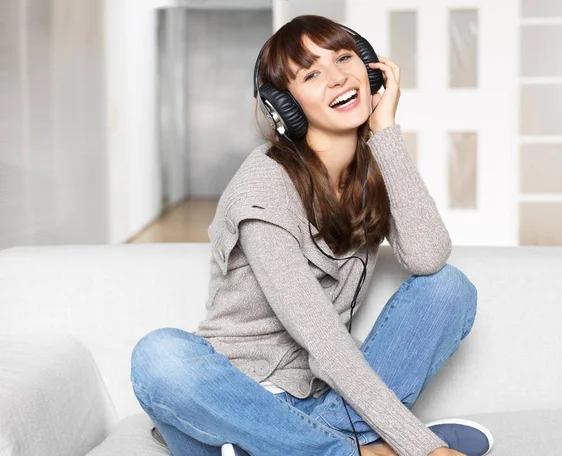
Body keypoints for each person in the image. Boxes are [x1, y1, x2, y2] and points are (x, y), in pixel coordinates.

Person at [130, 14, 494, 456]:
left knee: (448, 289)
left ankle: (293, 444)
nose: (339, 77)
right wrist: (426, 448)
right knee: (158, 356)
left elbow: (428, 256)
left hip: (323, 399)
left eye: (344, 57)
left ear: (369, 65)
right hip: (241, 397)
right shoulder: (264, 184)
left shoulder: (372, 168)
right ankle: (355, 449)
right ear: (285, 105)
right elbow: (321, 338)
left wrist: (386, 133)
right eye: (311, 74)